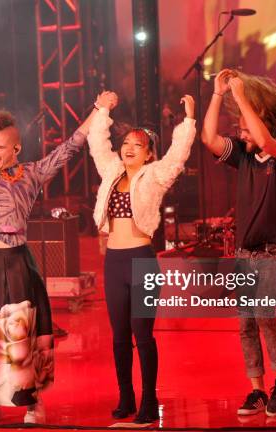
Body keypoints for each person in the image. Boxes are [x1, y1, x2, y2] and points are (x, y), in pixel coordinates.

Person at [0, 65, 112, 425]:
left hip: (16, 262)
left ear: (16, 148)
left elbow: (69, 148)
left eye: (1, 147)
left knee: (20, 336)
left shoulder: (32, 173)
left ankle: (32, 402)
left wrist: (99, 110)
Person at [87, 91, 196, 423]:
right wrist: (102, 109)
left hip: (142, 261)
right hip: (114, 262)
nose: (128, 148)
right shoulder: (111, 172)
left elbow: (178, 155)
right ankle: (126, 397)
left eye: (137, 145)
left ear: (149, 154)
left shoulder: (156, 176)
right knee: (119, 336)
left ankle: (150, 399)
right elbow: (96, 142)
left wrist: (189, 119)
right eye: (126, 143)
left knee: (141, 333)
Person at [201, 69, 276, 417]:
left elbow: (264, 139)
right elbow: (209, 138)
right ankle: (257, 389)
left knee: (263, 311)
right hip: (246, 250)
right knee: (245, 320)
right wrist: (217, 94)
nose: (240, 132)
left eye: (245, 127)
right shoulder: (243, 157)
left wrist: (242, 97)